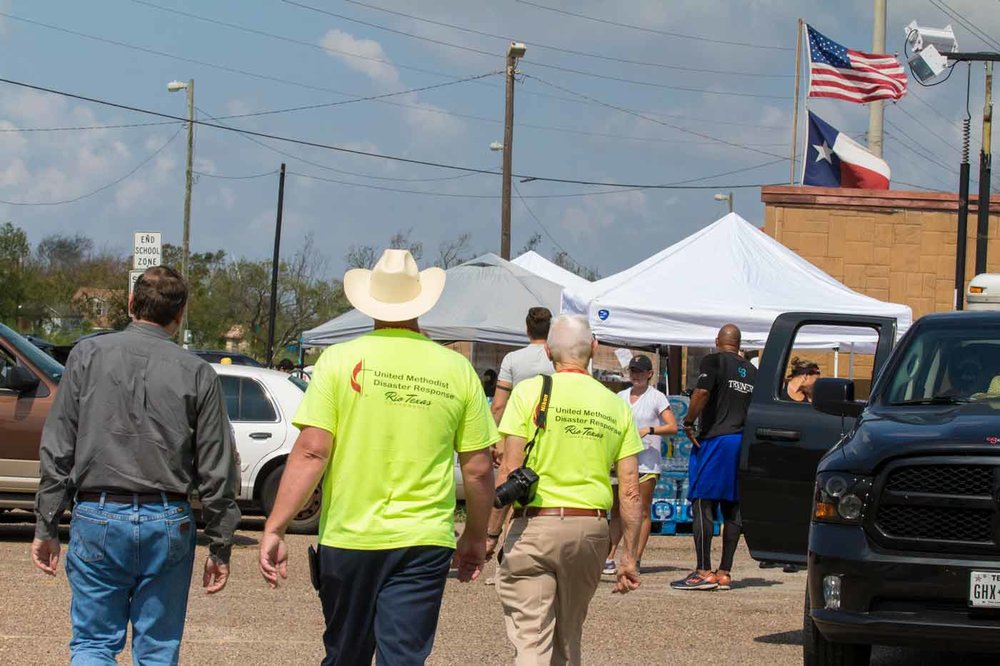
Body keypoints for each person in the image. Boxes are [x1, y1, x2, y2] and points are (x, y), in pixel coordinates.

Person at [258, 249, 498, 666]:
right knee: (403, 658)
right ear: (421, 303)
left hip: (349, 536)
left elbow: (312, 452)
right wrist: (475, 537)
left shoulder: (337, 361)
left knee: (345, 655)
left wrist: (275, 526)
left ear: (370, 302)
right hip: (423, 539)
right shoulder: (456, 370)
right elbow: (477, 470)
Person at [31, 265, 239, 664]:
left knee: (93, 644)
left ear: (130, 304)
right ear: (179, 317)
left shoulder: (86, 356)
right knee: (158, 650)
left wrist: (47, 523)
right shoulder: (198, 373)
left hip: (98, 513)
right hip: (168, 519)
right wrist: (220, 545)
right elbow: (217, 466)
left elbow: (58, 447)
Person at [486, 315, 644, 665]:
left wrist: (490, 534)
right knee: (569, 638)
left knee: (532, 639)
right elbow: (630, 492)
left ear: (547, 353)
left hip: (536, 526)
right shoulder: (616, 405)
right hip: (590, 531)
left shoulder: (529, 392)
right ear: (593, 348)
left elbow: (509, 472)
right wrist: (629, 555)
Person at [671, 324, 756, 592]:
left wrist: (688, 421)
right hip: (741, 441)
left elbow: (702, 392)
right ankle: (725, 572)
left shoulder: (713, 360)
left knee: (702, 502)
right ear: (739, 344)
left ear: (718, 340)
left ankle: (703, 570)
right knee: (733, 506)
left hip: (716, 439)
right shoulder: (753, 372)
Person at [604, 354, 677, 575]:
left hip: (647, 462)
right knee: (617, 510)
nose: (635, 375)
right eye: (633, 371)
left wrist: (650, 430)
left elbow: (672, 426)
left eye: (640, 371)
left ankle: (635, 556)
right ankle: (609, 556)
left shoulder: (657, 398)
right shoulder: (620, 396)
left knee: (642, 510)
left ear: (649, 374)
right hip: (622, 461)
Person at [490, 307, 555, 425]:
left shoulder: (511, 359)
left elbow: (498, 406)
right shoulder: (559, 359)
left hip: (519, 425)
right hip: (551, 426)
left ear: (527, 330)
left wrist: (490, 438)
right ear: (550, 330)